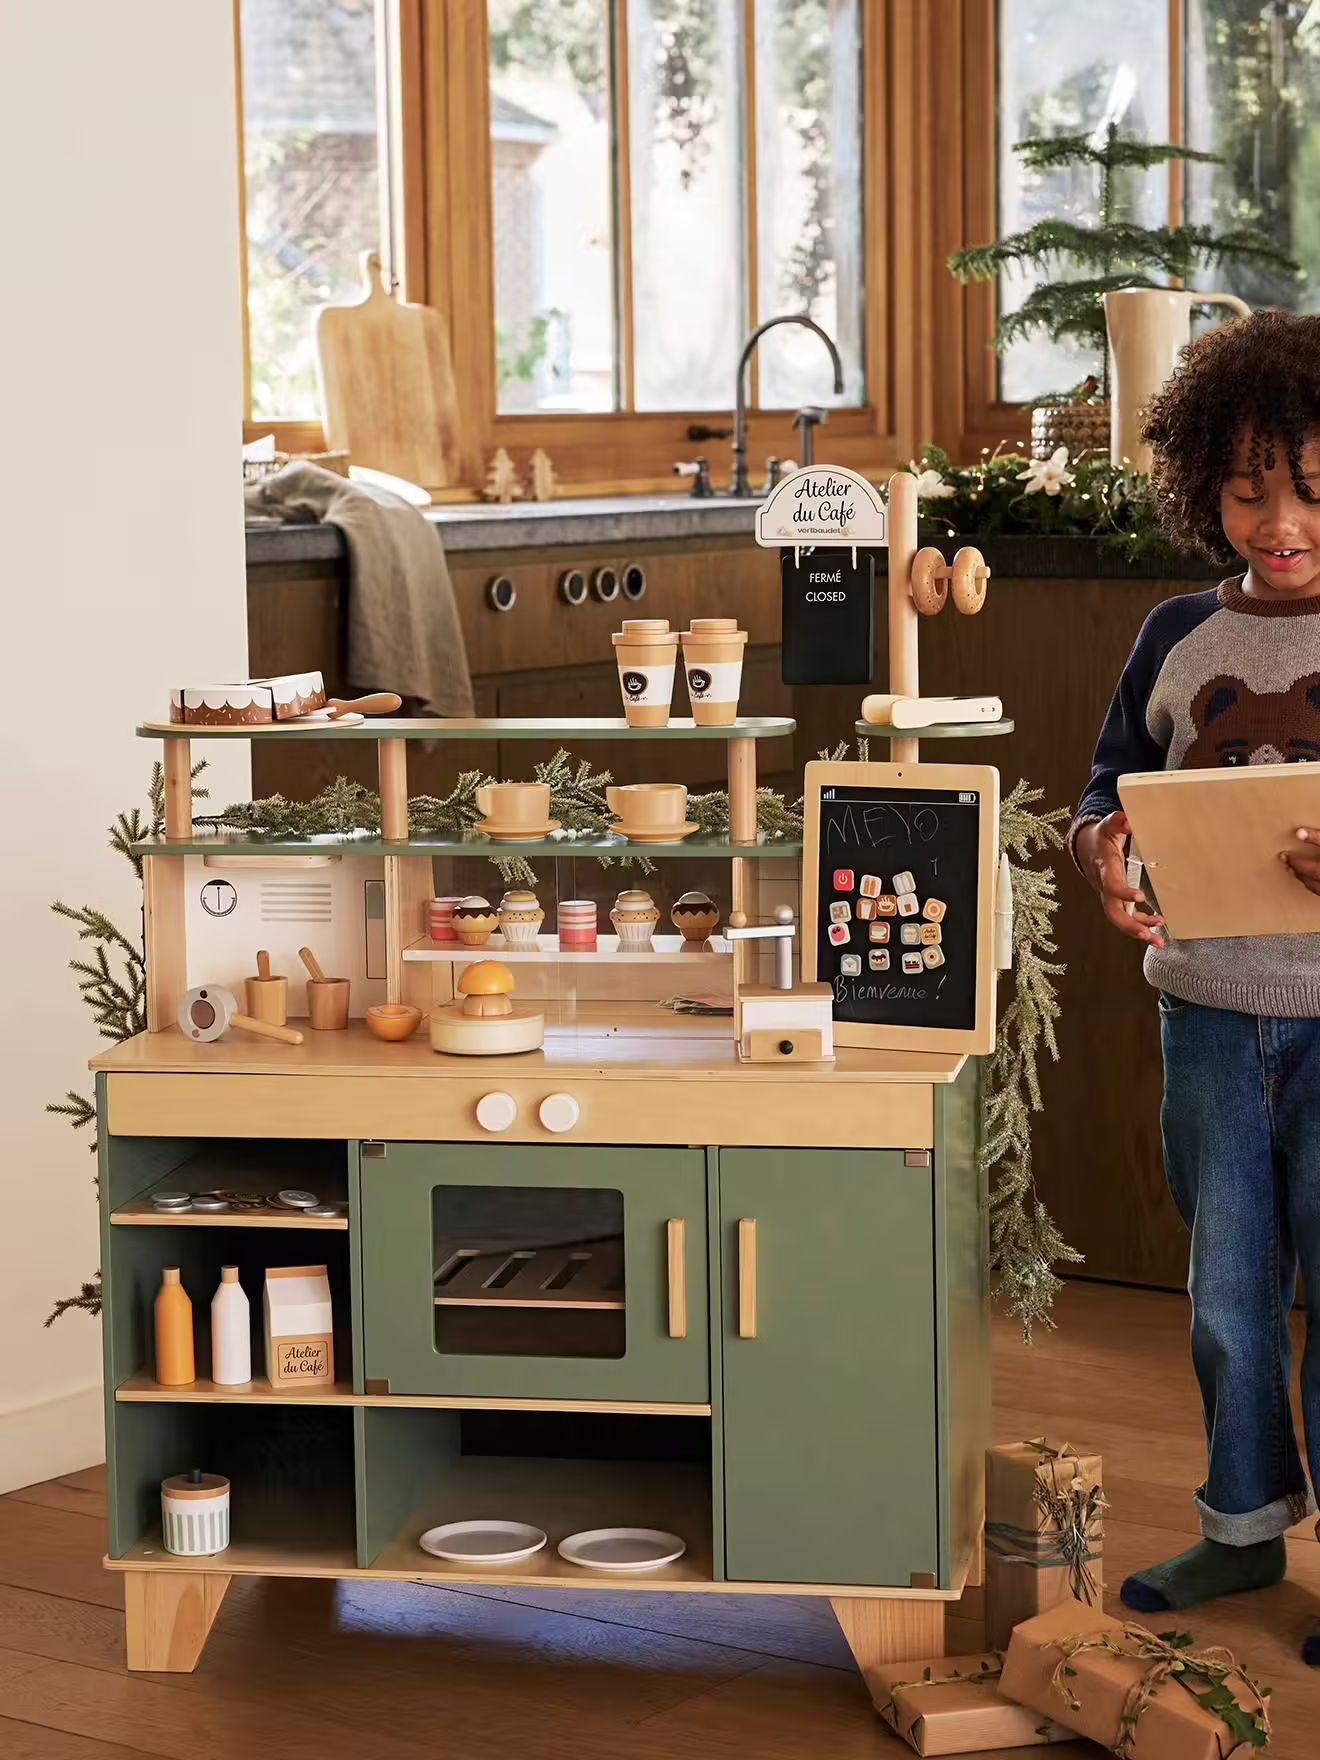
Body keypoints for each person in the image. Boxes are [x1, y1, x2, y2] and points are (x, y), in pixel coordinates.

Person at [1072, 309, 1320, 1662]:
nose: (1279, 522)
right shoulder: (1176, 633)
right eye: (1245, 490)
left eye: (1314, 490)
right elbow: (1108, 786)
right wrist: (1104, 849)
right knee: (1226, 1294)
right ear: (1201, 489)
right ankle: (1241, 1526)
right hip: (1210, 1013)